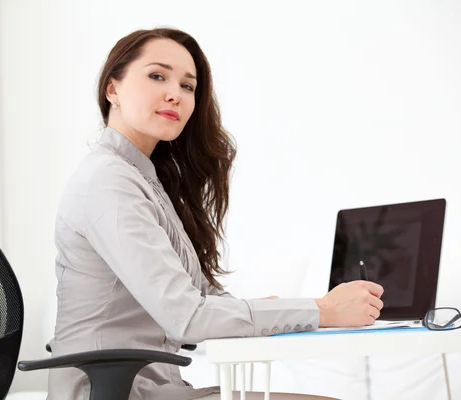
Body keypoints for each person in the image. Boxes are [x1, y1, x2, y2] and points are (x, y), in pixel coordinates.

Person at [48, 27, 384, 400]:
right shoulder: (108, 182)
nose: (175, 93)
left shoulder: (143, 180)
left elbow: (202, 297)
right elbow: (187, 317)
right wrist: (322, 310)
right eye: (157, 76)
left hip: (154, 389)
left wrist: (278, 309)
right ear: (113, 90)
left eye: (188, 86)